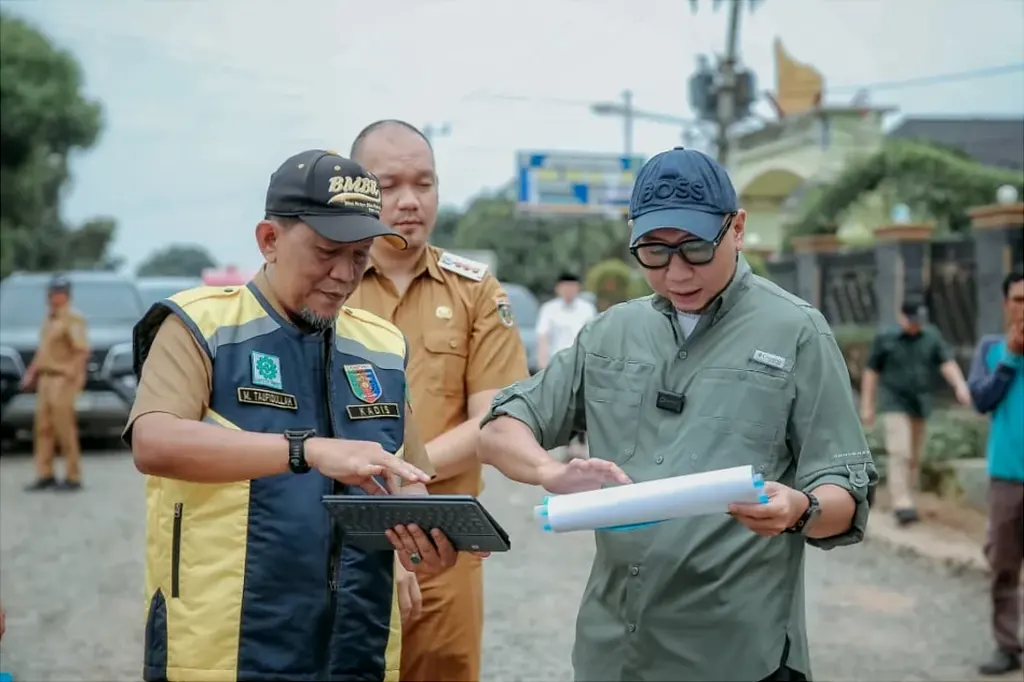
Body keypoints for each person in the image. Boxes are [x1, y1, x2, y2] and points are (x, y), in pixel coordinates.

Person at [478, 146, 878, 682]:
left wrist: (799, 508)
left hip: (738, 654)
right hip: (614, 651)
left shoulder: (796, 333)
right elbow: (502, 428)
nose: (677, 272)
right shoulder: (609, 333)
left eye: (695, 249)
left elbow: (846, 495)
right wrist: (551, 471)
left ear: (736, 228)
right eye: (654, 253)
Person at [125, 149, 478, 682]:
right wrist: (305, 451)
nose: (344, 274)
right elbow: (153, 442)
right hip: (224, 650)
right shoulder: (202, 327)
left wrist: (426, 544)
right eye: (327, 252)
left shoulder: (381, 347)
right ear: (269, 240)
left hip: (355, 650)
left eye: (360, 256)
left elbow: (409, 484)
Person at [347, 120, 529, 682]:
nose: (409, 201)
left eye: (424, 184)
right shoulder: (328, 279)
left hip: (443, 543)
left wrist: (407, 476)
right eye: (389, 184)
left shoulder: (475, 290)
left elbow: (493, 421)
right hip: (341, 535)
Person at [860, 298, 972, 525]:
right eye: (911, 320)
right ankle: (901, 502)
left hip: (919, 403)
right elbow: (871, 372)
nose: (915, 325)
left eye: (919, 321)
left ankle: (908, 495)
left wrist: (960, 385)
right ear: (901, 317)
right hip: (894, 402)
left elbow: (946, 362)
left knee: (913, 456)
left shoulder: (931, 336)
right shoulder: (886, 338)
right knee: (899, 451)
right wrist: (867, 406)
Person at [968, 267, 1024, 676]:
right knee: (1004, 567)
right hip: (1008, 478)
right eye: (1019, 300)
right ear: (1007, 303)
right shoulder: (991, 348)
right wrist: (1011, 357)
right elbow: (981, 400)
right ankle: (1007, 646)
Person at [21, 274, 89, 492]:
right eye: (51, 292)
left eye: (58, 293)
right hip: (46, 378)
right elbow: (43, 351)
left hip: (63, 379)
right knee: (43, 428)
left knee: (64, 428)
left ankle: (73, 475)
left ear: (66, 295)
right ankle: (45, 473)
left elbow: (81, 350)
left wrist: (74, 377)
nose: (53, 297)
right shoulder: (49, 319)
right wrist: (31, 373)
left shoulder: (73, 318)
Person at [537, 272, 597, 461]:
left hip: (582, 363)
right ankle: (569, 442)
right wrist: (542, 364)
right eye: (565, 287)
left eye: (572, 287)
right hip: (559, 365)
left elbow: (595, 335)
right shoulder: (549, 309)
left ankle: (581, 441)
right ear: (558, 288)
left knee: (583, 404)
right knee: (564, 405)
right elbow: (543, 337)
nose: (569, 291)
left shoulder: (586, 309)